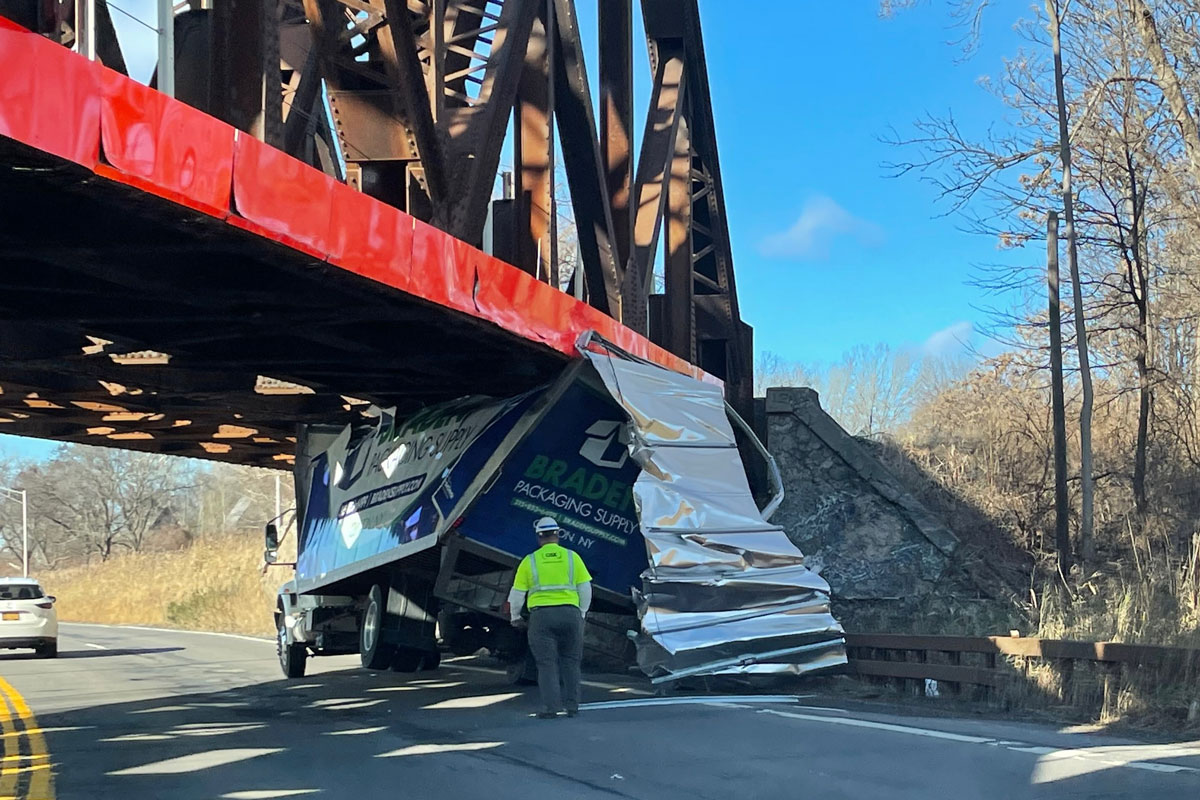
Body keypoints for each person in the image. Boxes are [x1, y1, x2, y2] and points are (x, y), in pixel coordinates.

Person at [508, 516, 593, 719]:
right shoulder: (573, 558)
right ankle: (572, 707)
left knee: (546, 664)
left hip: (541, 617)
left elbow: (517, 593)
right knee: (571, 662)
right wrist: (581, 613)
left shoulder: (530, 561)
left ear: (539, 537)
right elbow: (585, 589)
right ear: (558, 534)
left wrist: (515, 616)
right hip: (570, 614)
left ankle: (550, 708)